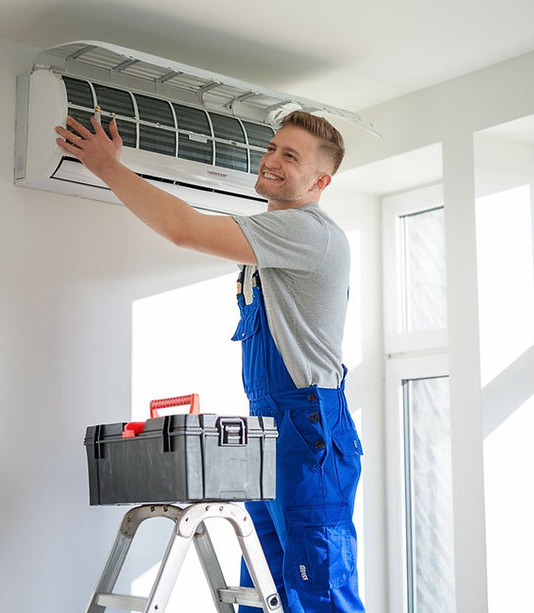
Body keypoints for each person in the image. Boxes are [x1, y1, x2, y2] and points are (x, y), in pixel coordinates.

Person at [55, 108, 365, 613]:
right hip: (271, 429)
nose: (272, 160)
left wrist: (108, 166)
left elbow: (183, 228)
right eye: (272, 147)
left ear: (321, 180)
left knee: (319, 591)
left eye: (291, 156)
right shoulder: (265, 242)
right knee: (265, 591)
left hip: (311, 431)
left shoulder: (307, 232)